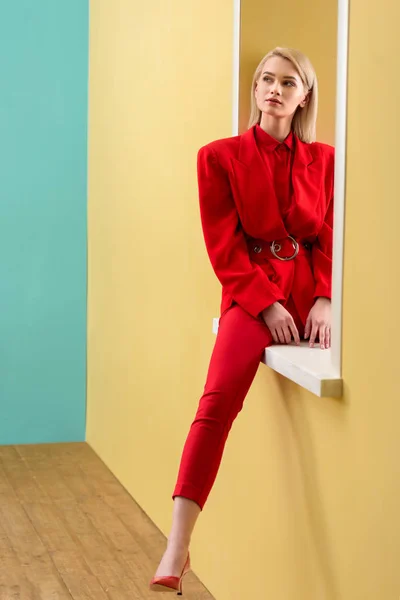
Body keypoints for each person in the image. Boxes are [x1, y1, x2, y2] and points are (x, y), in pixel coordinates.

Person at [150, 46, 334, 595]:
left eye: (287, 82)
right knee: (216, 401)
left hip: (308, 293)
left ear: (304, 97)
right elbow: (223, 247)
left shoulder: (326, 159)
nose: (274, 89)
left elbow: (329, 239)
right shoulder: (218, 157)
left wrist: (324, 298)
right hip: (251, 293)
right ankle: (178, 545)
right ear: (255, 90)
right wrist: (265, 303)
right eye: (265, 80)